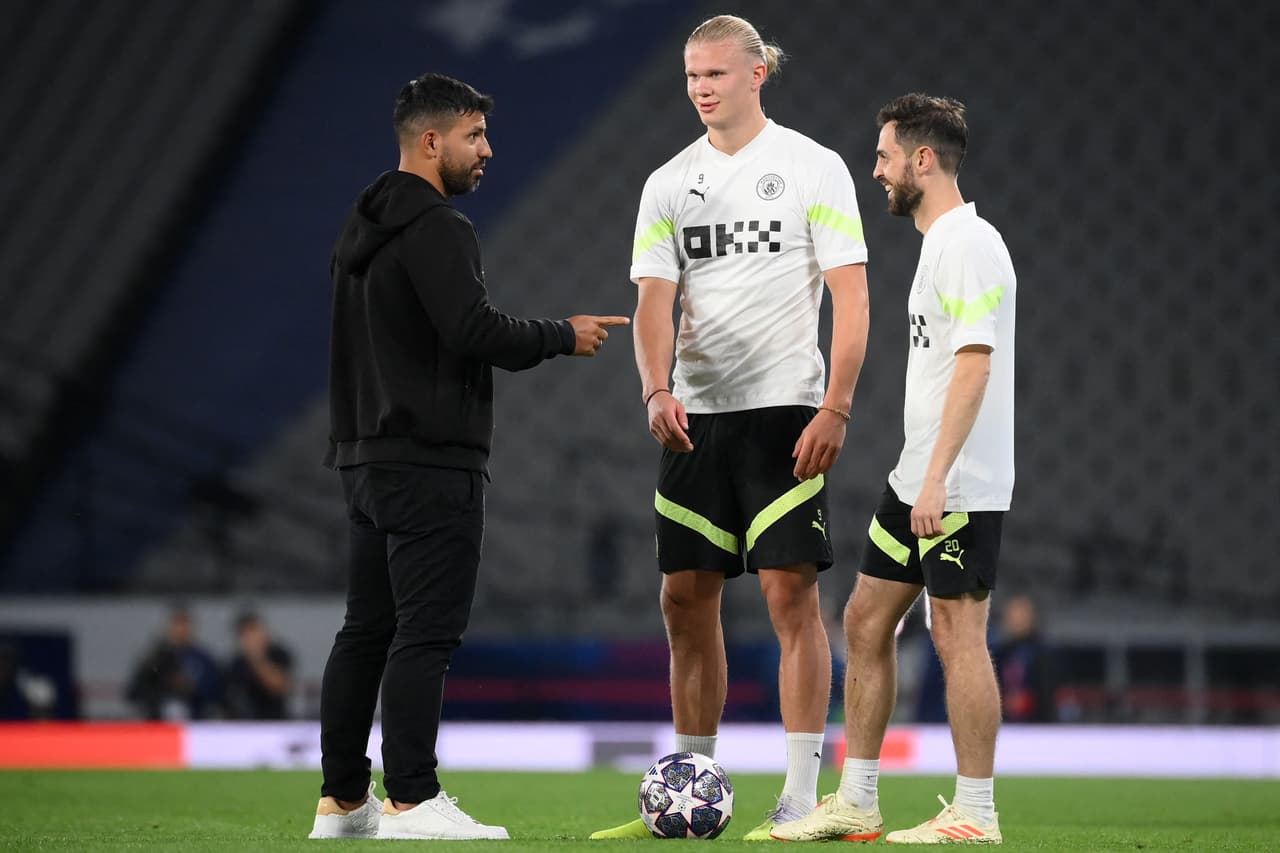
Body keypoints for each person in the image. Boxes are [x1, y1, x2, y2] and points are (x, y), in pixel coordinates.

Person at [307, 73, 629, 842]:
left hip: (364, 457)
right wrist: (562, 334)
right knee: (426, 633)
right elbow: (473, 329)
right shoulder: (439, 227)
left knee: (365, 630)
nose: (487, 150)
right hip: (430, 461)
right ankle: (411, 797)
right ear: (431, 141)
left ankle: (342, 800)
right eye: (473, 135)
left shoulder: (361, 226)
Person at [592, 14, 870, 841]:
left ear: (758, 73)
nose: (701, 88)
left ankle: (798, 797)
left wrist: (836, 405)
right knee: (684, 599)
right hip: (695, 419)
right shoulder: (668, 182)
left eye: (715, 73)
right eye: (691, 75)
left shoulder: (813, 166)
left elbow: (852, 298)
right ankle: (690, 783)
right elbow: (654, 301)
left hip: (786, 412)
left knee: (791, 595)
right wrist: (654, 389)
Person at [772, 93, 1016, 844]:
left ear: (923, 159)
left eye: (884, 156)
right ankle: (858, 799)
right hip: (918, 477)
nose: (875, 170)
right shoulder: (939, 244)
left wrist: (940, 476)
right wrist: (921, 473)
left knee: (956, 631)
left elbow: (975, 365)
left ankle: (975, 813)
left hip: (956, 482)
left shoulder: (968, 243)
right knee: (865, 619)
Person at [125, 604, 222, 721]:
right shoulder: (154, 658)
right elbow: (134, 692)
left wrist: (193, 689)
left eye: (184, 623)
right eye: (176, 623)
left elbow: (217, 693)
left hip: (195, 721)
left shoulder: (203, 659)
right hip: (159, 721)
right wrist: (164, 687)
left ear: (192, 626)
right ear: (168, 626)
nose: (180, 629)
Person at [992, 593, 1054, 723]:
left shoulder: (1042, 654)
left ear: (1032, 617)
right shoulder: (999, 653)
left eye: (1021, 614)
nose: (1016, 619)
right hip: (1004, 723)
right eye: (1012, 614)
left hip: (1036, 724)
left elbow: (1049, 694)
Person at [223, 611, 294, 720]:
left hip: (275, 721)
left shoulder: (279, 654)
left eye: (253, 631)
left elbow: (279, 687)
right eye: (245, 634)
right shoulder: (236, 663)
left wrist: (256, 658)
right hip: (244, 722)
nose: (251, 638)